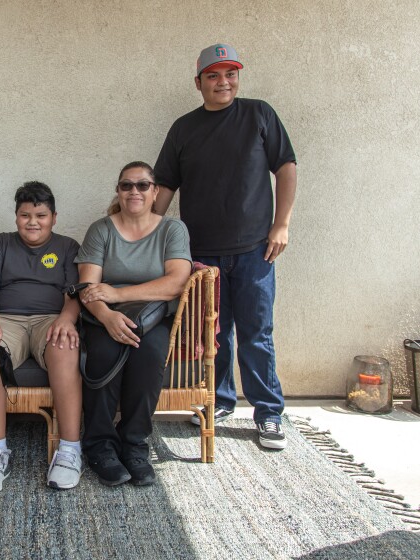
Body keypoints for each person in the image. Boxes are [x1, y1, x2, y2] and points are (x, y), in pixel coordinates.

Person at [153, 43, 297, 450]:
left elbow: (286, 167)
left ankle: (268, 413)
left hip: (255, 250)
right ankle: (219, 400)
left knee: (257, 333)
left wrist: (281, 224)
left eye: (230, 73)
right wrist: (145, 234)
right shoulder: (183, 128)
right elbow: (164, 187)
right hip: (201, 255)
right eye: (214, 75)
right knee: (215, 335)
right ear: (198, 82)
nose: (223, 82)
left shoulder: (259, 114)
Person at [76, 161, 192, 486]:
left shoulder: (172, 230)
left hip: (152, 319)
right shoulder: (101, 230)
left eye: (142, 185)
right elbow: (87, 287)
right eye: (127, 185)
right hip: (103, 317)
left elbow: (177, 282)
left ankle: (135, 446)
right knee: (101, 355)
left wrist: (119, 293)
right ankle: (100, 446)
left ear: (155, 192)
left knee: (150, 356)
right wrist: (108, 315)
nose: (134, 191)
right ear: (118, 191)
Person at [0, 181, 83, 493]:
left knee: (65, 344)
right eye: (25, 215)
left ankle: (71, 450)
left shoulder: (68, 247)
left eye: (41, 215)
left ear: (54, 217)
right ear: (16, 216)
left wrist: (66, 319)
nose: (32, 222)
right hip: (7, 319)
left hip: (51, 318)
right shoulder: (1, 245)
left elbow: (74, 293)